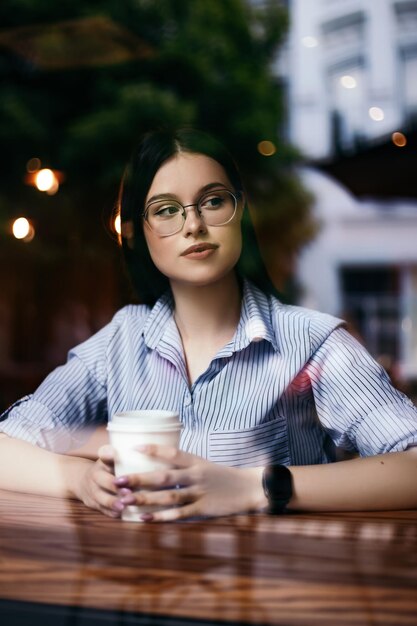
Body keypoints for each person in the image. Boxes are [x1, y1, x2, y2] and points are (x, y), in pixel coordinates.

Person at [0, 127, 416, 521]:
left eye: (213, 201)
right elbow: (7, 445)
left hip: (275, 586)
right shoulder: (119, 342)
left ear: (240, 212)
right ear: (136, 234)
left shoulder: (313, 343)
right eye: (165, 211)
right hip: (142, 582)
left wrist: (255, 487)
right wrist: (79, 481)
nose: (194, 225)